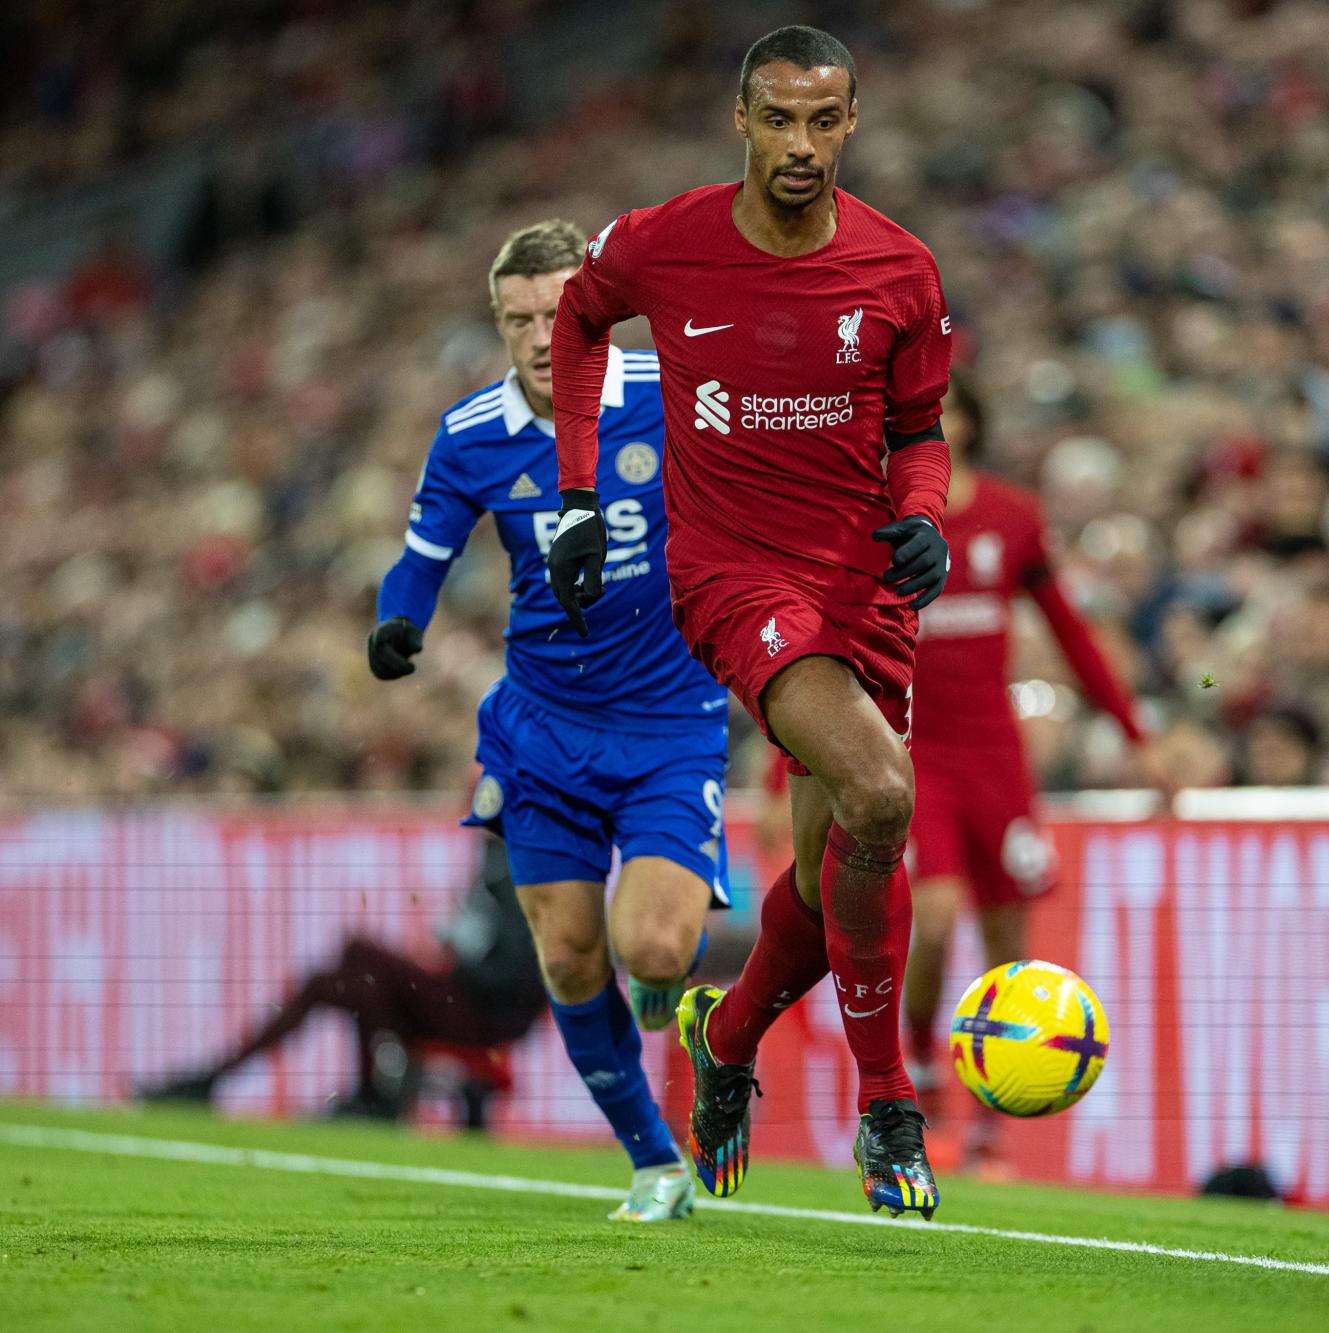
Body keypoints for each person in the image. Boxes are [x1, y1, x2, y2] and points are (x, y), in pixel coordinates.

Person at [546, 26, 952, 1217]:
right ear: (740, 120)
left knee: (837, 877)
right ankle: (888, 1105)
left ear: (851, 122)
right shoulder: (660, 242)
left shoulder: (900, 270)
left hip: (862, 587)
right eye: (778, 119)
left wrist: (924, 517)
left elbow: (918, 434)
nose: (799, 143)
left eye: (822, 120)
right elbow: (576, 322)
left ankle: (723, 1037)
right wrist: (578, 493)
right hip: (731, 575)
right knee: (879, 792)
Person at [369, 220, 734, 1223]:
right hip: (542, 730)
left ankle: (663, 983)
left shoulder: (670, 393)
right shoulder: (471, 434)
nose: (540, 336)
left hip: (669, 720)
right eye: (518, 318)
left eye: (558, 313)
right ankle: (653, 1163)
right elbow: (423, 556)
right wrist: (398, 621)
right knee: (569, 955)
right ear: (498, 322)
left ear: (600, 311)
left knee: (651, 949)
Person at [898, 377, 1146, 1156]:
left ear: (973, 421)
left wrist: (1135, 731)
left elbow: (1069, 631)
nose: (936, 422)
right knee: (936, 917)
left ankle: (994, 1118)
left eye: (949, 408)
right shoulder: (881, 512)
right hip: (915, 752)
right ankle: (920, 1066)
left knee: (1008, 944)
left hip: (994, 754)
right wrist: (785, 772)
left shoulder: (1012, 517)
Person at [140, 838, 545, 1123]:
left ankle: (373, 1090)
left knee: (359, 956)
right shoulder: (502, 865)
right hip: (471, 1001)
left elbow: (514, 971)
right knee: (337, 984)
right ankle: (371, 1092)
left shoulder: (515, 870)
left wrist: (465, 955)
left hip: (482, 1011)